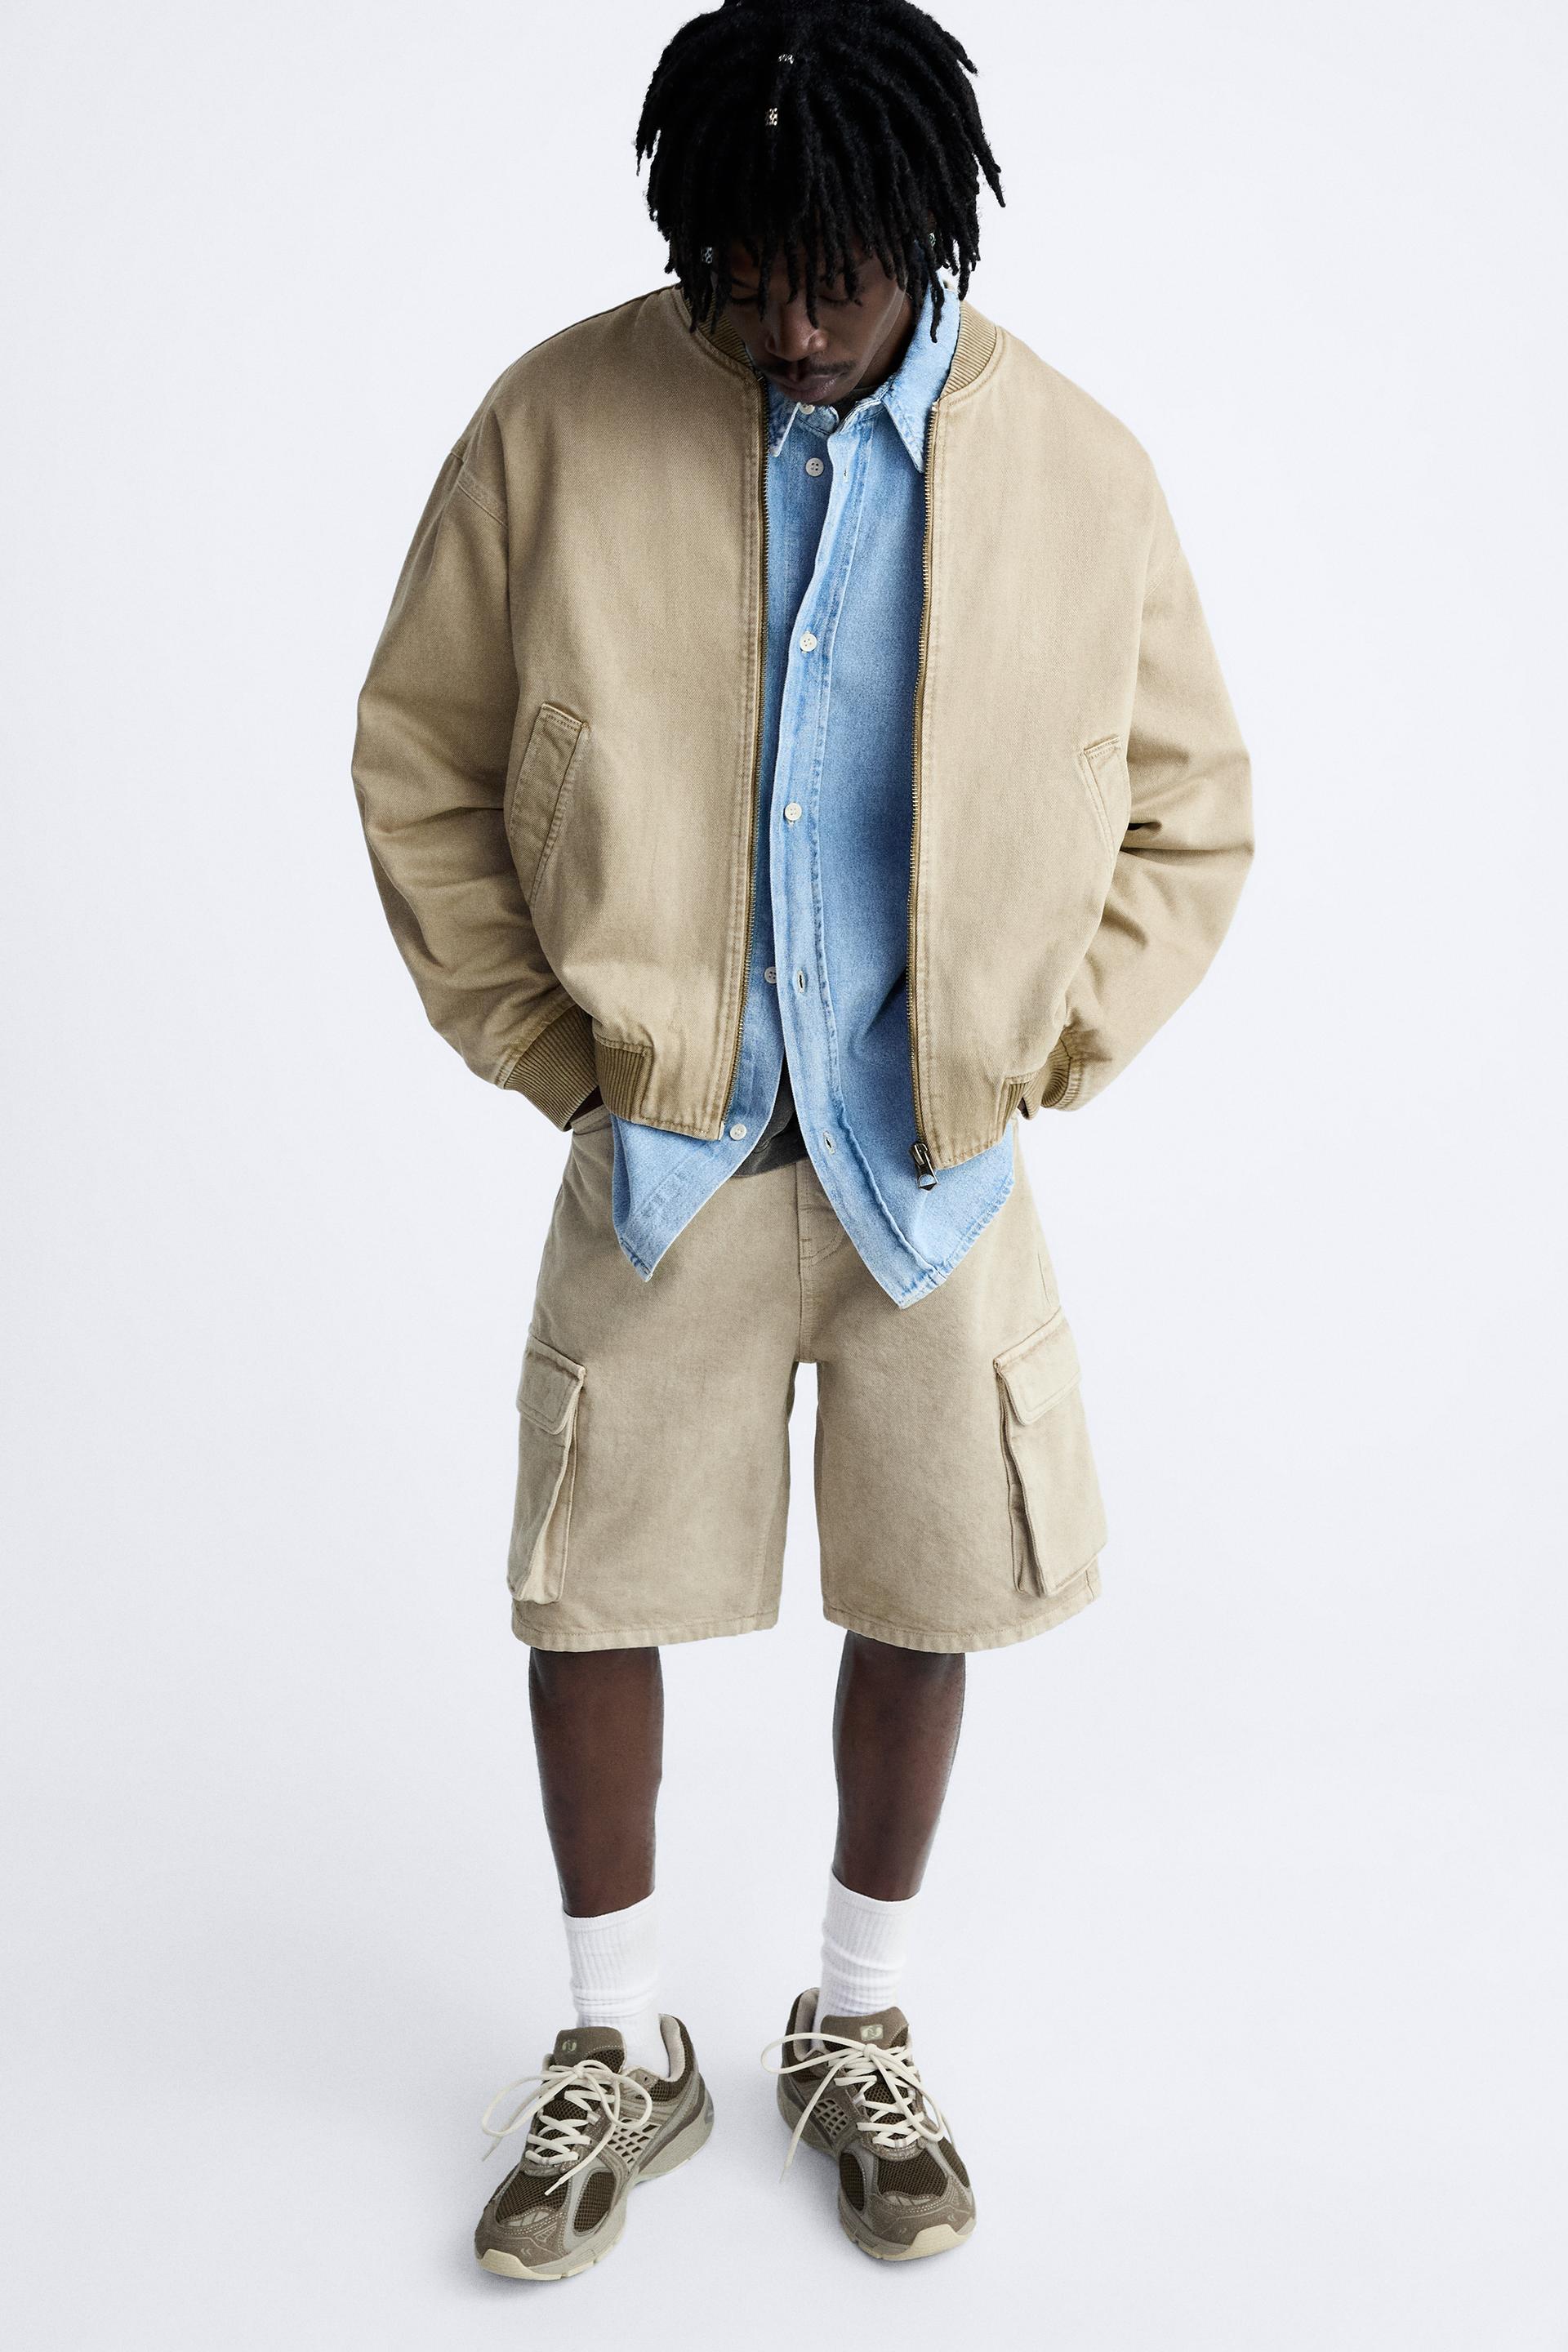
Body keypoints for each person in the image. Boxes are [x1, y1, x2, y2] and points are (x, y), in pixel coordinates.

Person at [351, 0, 1252, 2281]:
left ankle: (855, 2023)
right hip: (664, 1145)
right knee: (590, 1592)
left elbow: (1189, 808)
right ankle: (614, 2043)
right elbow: (421, 756)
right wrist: (553, 1047)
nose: (788, 326)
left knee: (933, 1588)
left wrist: (1036, 1052)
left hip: (931, 1167)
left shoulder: (1076, 470)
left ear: (923, 230)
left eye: (831, 277)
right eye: (742, 278)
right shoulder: (557, 426)